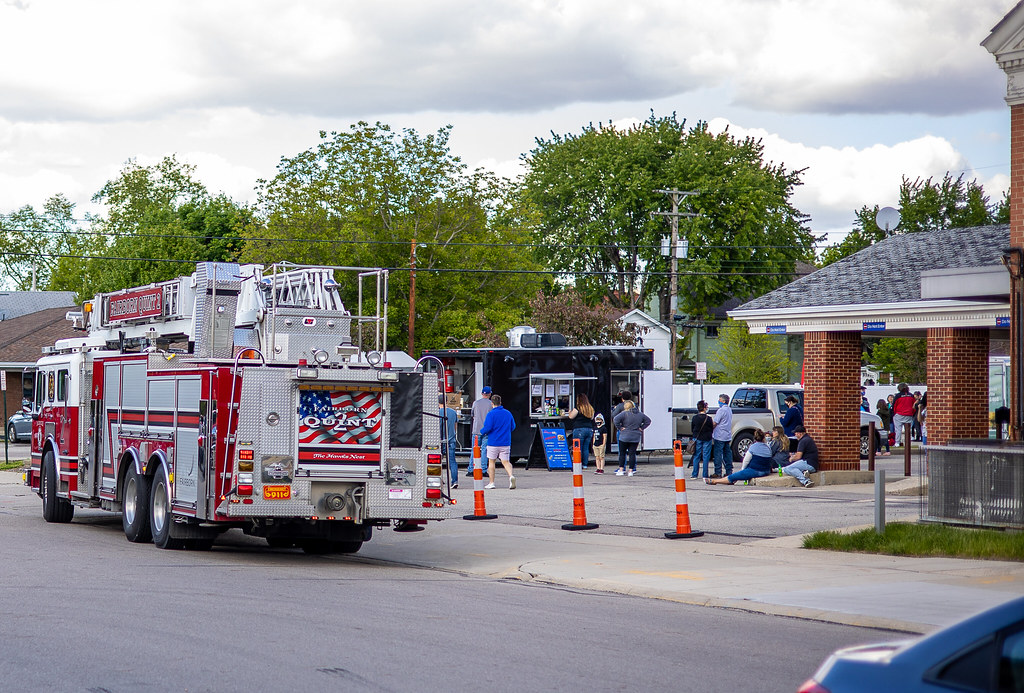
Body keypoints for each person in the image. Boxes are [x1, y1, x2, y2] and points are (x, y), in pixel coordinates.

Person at [706, 428, 773, 485]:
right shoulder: (768, 447)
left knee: (733, 476)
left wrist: (742, 470)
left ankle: (715, 481)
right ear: (763, 438)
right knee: (737, 476)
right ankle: (733, 479)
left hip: (756, 470)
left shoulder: (753, 447)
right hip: (766, 470)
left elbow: (746, 460)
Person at [480, 394, 517, 490]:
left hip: (493, 442)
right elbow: (513, 426)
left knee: (491, 462)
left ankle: (491, 482)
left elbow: (488, 427)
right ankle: (511, 476)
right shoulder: (508, 413)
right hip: (505, 442)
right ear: (500, 402)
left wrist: (481, 432)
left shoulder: (491, 414)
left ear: (492, 403)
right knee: (506, 461)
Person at [613, 400, 651, 477]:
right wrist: (642, 428)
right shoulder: (640, 415)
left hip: (624, 436)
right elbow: (648, 421)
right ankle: (631, 471)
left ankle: (621, 470)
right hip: (635, 436)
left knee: (622, 453)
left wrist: (620, 427)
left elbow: (615, 419)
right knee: (632, 454)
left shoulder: (624, 414)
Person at [468, 386, 493, 478]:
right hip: (487, 431)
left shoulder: (476, 403)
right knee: (484, 451)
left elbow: (472, 415)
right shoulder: (491, 404)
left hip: (476, 430)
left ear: (482, 394)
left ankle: (471, 469)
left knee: (474, 450)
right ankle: (483, 470)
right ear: (490, 394)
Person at [566, 393, 596, 469]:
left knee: (578, 448)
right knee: (586, 448)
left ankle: (578, 463)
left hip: (579, 429)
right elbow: (592, 418)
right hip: (589, 429)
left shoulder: (578, 408)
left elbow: (571, 417)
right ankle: (585, 464)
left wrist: (569, 412)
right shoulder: (590, 408)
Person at [689, 400, 714, 479]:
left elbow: (692, 428)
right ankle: (705, 475)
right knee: (706, 457)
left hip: (697, 438)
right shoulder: (709, 418)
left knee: (696, 456)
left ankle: (694, 474)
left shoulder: (695, 418)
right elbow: (711, 428)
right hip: (707, 438)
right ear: (704, 408)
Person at [438, 394, 459, 489]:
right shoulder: (453, 412)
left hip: (440, 441)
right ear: (446, 401)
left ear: (438, 402)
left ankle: (439, 479)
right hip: (451, 441)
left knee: (438, 461)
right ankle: (454, 481)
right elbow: (455, 427)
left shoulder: (438, 412)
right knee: (452, 462)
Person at [711, 393, 733, 478]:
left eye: (720, 400)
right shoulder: (729, 409)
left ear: (723, 401)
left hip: (719, 435)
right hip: (727, 435)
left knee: (718, 454)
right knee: (727, 454)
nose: (718, 401)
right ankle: (729, 471)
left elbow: (715, 422)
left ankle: (718, 472)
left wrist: (710, 428)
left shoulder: (721, 410)